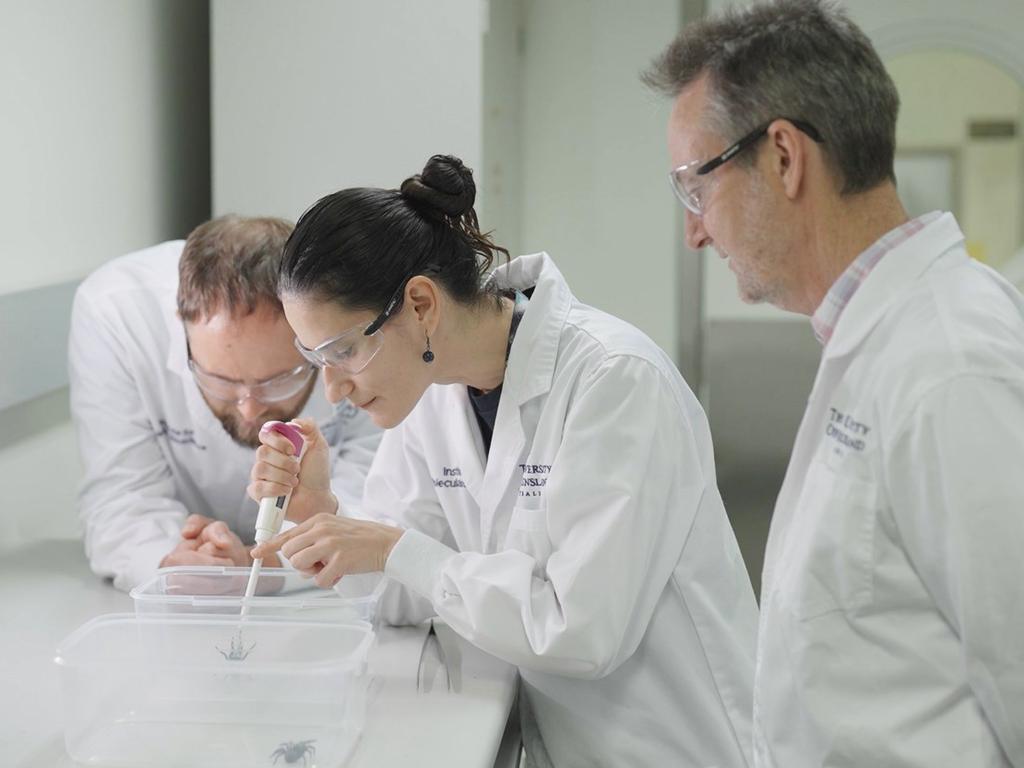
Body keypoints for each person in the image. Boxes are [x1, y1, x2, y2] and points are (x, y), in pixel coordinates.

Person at [248, 155, 758, 767]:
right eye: (315, 358)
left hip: (673, 746)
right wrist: (323, 516)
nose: (333, 389)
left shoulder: (615, 381)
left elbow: (580, 630)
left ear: (420, 305)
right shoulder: (432, 397)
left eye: (343, 351)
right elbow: (405, 594)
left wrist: (391, 548)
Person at [644, 1, 1024, 765]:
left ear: (783, 157)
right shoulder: (879, 336)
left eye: (696, 186)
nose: (694, 230)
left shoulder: (951, 365)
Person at [69, 216, 381, 591]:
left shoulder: (352, 317)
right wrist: (172, 563)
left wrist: (265, 567)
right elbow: (121, 494)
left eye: (277, 382)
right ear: (182, 332)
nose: (250, 410)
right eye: (221, 382)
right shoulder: (118, 313)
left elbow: (376, 500)